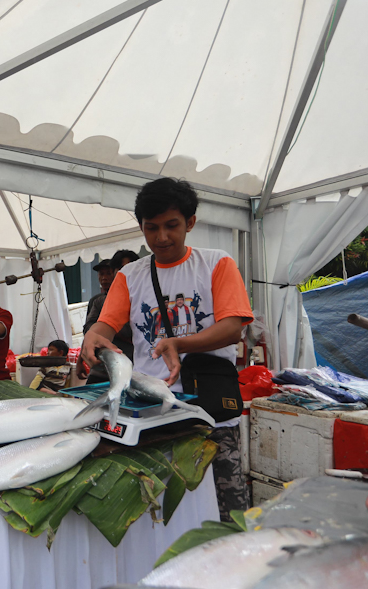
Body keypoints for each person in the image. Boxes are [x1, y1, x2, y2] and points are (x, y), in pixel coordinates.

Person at [81, 178, 253, 522]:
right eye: (151, 228)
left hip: (210, 409)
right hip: (152, 411)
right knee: (162, 512)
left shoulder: (217, 264)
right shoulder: (130, 275)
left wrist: (181, 343)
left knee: (226, 509)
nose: (161, 237)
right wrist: (92, 337)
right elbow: (105, 324)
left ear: (190, 222)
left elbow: (234, 326)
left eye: (172, 225)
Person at [83, 249, 139, 384]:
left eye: (129, 267)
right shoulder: (97, 300)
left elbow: (130, 332)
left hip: (130, 367)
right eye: (101, 274)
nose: (104, 278)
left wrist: (106, 327)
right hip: (101, 367)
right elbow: (88, 330)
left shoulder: (141, 299)